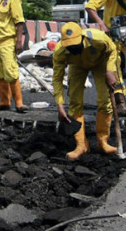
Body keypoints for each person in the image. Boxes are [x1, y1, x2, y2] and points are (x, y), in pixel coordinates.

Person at [51, 22, 120, 160]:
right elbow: (57, 79)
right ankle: (81, 145)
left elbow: (113, 50)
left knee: (104, 99)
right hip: (76, 66)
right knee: (74, 102)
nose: (72, 48)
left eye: (75, 45)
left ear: (82, 37)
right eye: (69, 46)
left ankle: (103, 142)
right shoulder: (60, 51)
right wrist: (59, 105)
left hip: (101, 63)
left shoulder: (98, 38)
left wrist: (109, 70)